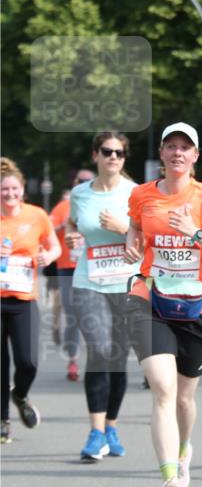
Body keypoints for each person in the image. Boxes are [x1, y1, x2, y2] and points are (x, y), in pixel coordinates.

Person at [125, 122, 202, 487]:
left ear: (195, 156)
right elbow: (136, 225)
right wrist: (130, 241)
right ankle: (171, 478)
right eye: (170, 146)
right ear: (162, 153)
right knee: (163, 389)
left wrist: (195, 233)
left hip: (197, 309)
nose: (176, 153)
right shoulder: (142, 195)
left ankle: (185, 450)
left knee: (185, 398)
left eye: (184, 148)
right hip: (149, 301)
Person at [67, 134, 139, 461]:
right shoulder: (80, 195)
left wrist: (123, 227)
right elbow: (74, 225)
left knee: (118, 357)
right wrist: (71, 238)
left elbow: (148, 234)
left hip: (125, 282)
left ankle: (111, 425)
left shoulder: (136, 193)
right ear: (96, 155)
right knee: (98, 351)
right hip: (89, 281)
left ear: (124, 158)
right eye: (107, 151)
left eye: (119, 152)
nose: (113, 157)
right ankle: (95, 433)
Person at [1, 157, 61, 444]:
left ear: (22, 190)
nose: (10, 194)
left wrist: (47, 257)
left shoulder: (36, 215)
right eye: (4, 190)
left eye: (14, 189)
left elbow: (55, 246)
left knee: (28, 362)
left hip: (24, 298)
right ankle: (3, 421)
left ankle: (20, 394)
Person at [49, 170, 94, 381]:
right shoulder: (64, 206)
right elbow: (47, 229)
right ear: (74, 183)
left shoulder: (98, 203)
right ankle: (73, 359)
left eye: (88, 181)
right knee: (72, 313)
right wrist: (63, 224)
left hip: (94, 267)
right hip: (67, 267)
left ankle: (98, 358)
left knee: (95, 315)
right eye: (81, 181)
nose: (84, 183)